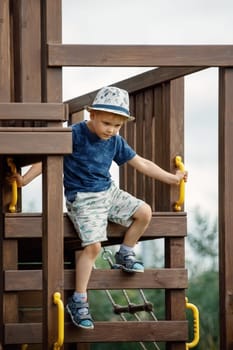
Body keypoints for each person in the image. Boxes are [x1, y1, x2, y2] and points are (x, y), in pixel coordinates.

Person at [7, 86, 187, 330]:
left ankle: (125, 252)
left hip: (108, 192)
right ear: (91, 114)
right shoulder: (75, 134)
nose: (111, 130)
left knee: (144, 212)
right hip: (82, 197)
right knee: (92, 247)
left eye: (117, 125)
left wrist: (172, 178)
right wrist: (25, 180)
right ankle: (79, 299)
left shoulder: (114, 140)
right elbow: (45, 159)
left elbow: (141, 162)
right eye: (107, 123)